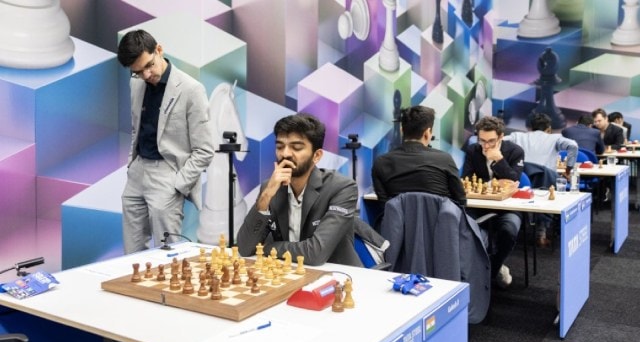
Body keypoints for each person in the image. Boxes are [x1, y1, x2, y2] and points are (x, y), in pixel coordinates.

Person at [117, 30, 214, 254]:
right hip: (138, 171)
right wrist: (132, 163)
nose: (146, 74)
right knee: (131, 253)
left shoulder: (191, 89)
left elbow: (205, 149)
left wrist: (178, 184)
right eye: (138, 71)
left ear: (159, 50)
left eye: (149, 65)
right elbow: (136, 128)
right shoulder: (136, 83)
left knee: (169, 255)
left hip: (168, 173)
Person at [236, 113, 362, 267]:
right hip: (290, 273)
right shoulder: (270, 188)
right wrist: (266, 195)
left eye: (296, 147)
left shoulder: (342, 188)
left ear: (316, 156)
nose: (285, 154)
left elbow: (315, 253)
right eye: (280, 146)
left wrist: (267, 248)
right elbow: (244, 247)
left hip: (336, 278)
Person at [462, 116, 524, 289]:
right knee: (462, 224)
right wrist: (493, 184)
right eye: (482, 140)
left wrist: (499, 160)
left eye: (491, 141)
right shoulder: (473, 150)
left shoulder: (515, 151)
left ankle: (492, 268)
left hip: (508, 207)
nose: (486, 146)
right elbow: (466, 180)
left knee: (509, 230)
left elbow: (514, 181)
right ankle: (483, 267)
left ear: (501, 137)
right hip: (479, 206)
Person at [505, 113, 578, 247]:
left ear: (529, 127)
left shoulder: (517, 136)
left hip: (521, 182)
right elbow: (573, 146)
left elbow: (499, 141)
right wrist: (568, 170)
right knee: (555, 186)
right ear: (549, 128)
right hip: (546, 183)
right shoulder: (555, 138)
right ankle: (542, 234)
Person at [371, 105, 466, 205]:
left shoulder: (380, 163)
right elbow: (461, 201)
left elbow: (385, 207)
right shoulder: (445, 160)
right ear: (427, 133)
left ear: (402, 130)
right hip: (439, 220)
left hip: (398, 221)